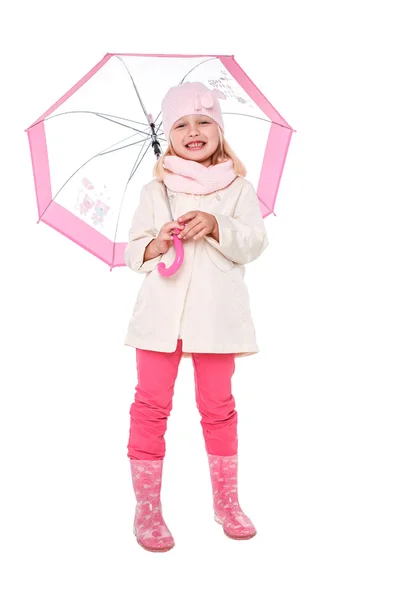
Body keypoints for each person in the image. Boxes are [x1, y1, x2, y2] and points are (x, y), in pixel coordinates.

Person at [124, 81, 269, 552]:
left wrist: (217, 225)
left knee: (219, 408)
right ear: (168, 136)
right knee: (150, 406)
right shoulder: (156, 191)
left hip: (215, 319)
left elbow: (254, 242)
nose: (193, 130)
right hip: (160, 318)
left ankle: (226, 502)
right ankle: (147, 508)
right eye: (181, 124)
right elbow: (131, 251)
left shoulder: (238, 189)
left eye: (204, 121)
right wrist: (156, 243)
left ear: (220, 131)